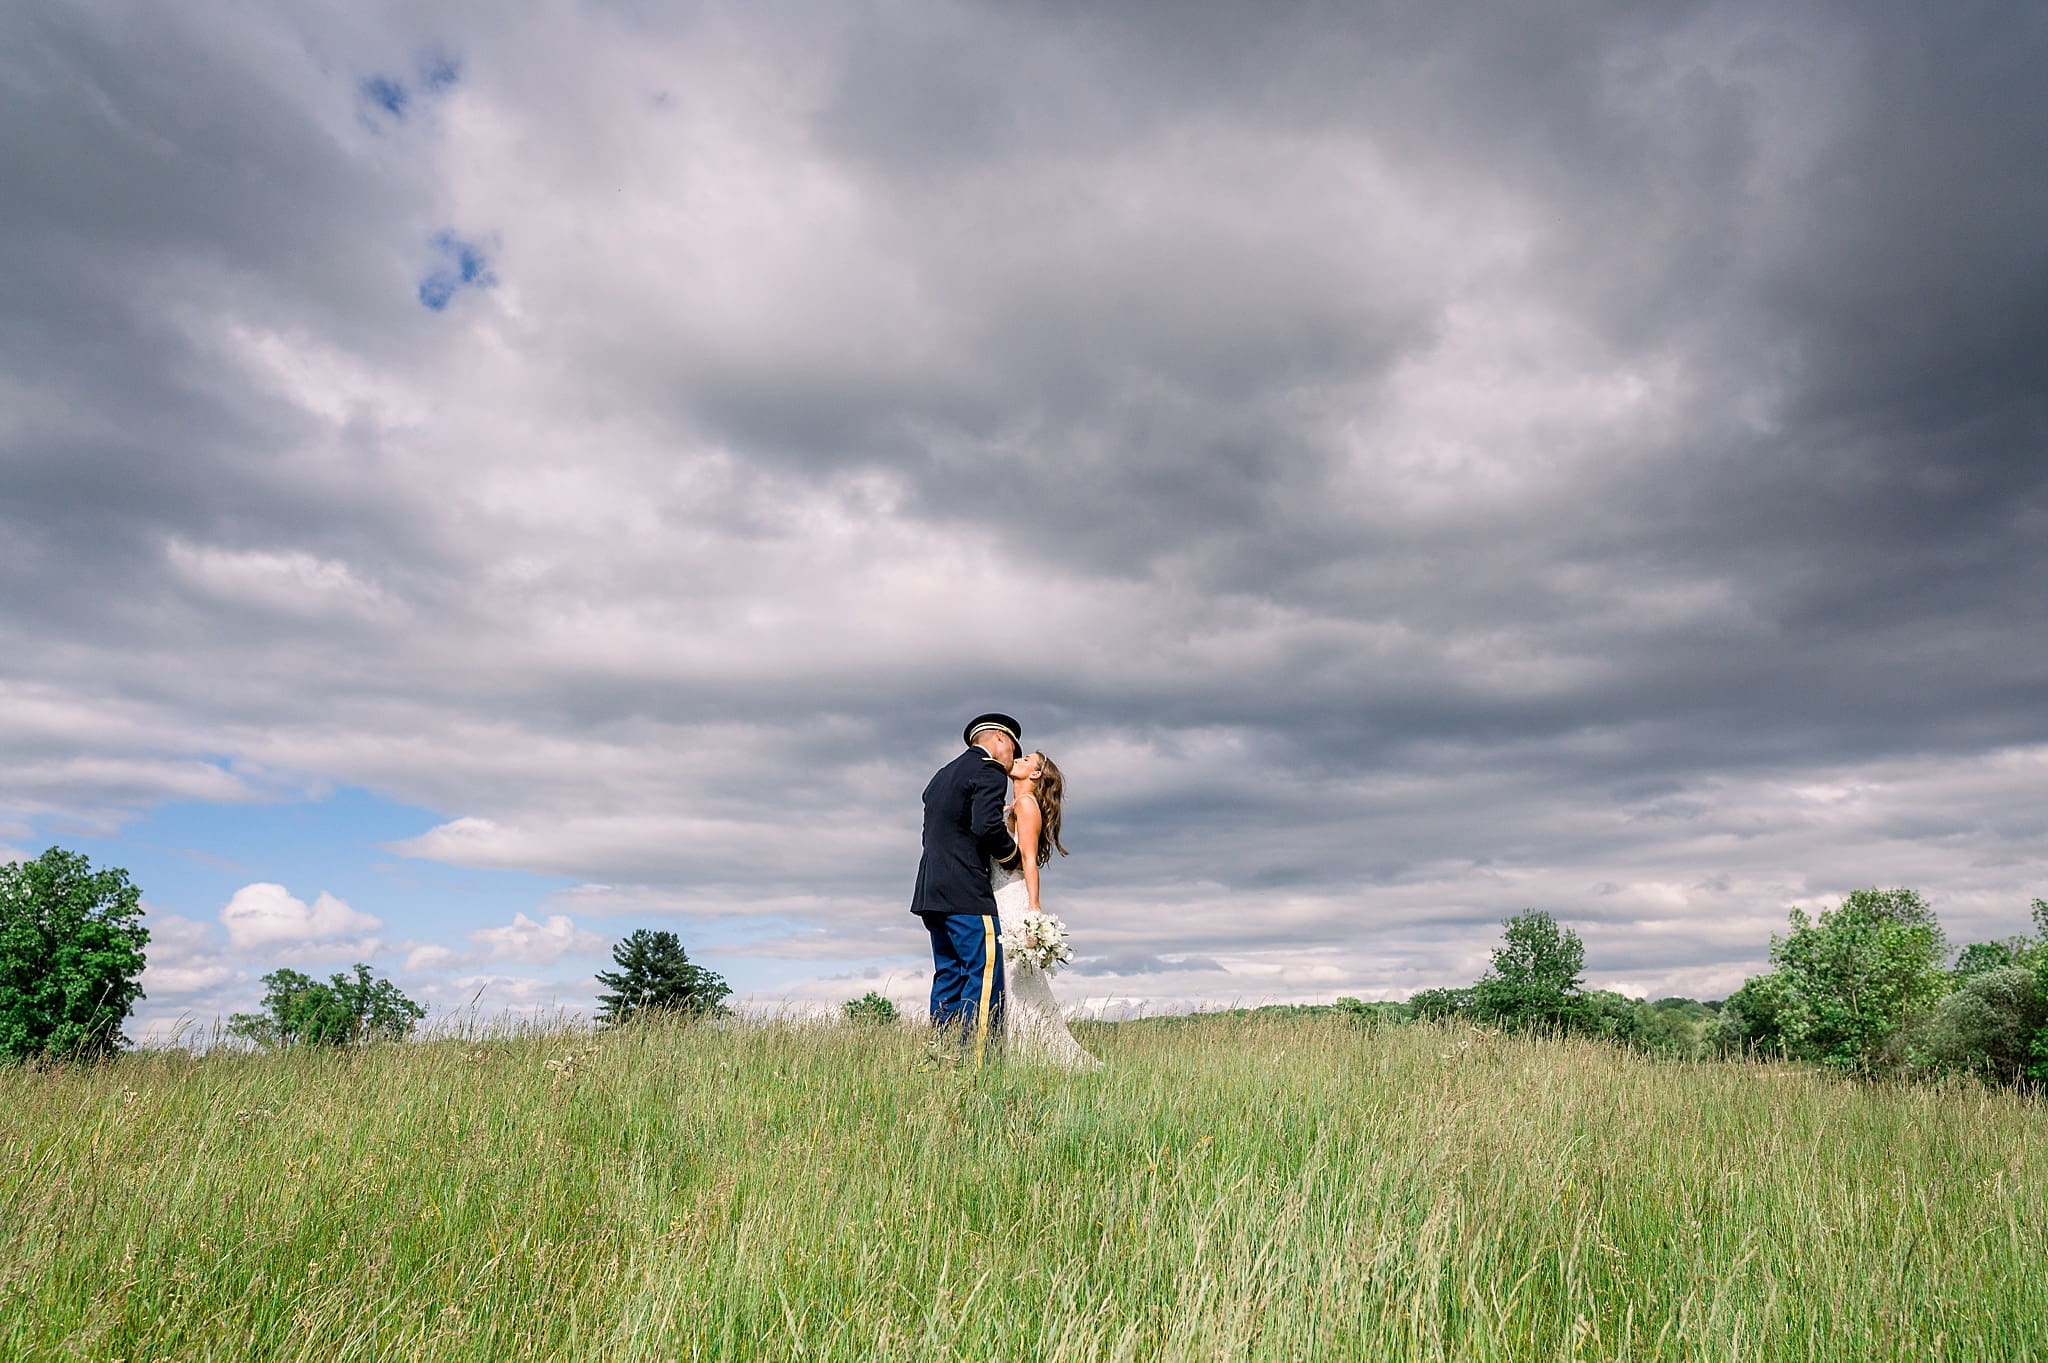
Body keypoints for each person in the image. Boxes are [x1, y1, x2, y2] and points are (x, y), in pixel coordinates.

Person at [910, 712, 1024, 1063]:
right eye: (1013, 752)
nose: (1012, 762)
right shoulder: (988, 770)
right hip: (967, 892)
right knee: (984, 975)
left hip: (932, 891)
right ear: (1001, 740)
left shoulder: (941, 775)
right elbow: (987, 825)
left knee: (949, 975)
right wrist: (1012, 856)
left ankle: (939, 1055)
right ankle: (979, 1063)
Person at [996, 752, 1100, 1069]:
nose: (1018, 758)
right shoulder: (1012, 804)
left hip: (1010, 895)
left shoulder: (1027, 805)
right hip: (994, 891)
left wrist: (1034, 908)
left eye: (1026, 758)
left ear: (1037, 773)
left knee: (1016, 977)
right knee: (1007, 977)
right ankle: (1013, 1051)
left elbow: (1028, 859)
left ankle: (1033, 1052)